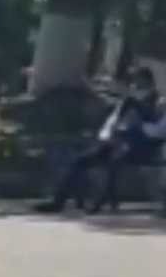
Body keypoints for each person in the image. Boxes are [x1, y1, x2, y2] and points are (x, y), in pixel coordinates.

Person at [36, 67, 163, 213]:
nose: (135, 83)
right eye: (134, 80)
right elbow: (112, 122)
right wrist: (107, 136)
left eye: (138, 80)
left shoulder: (157, 101)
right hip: (117, 141)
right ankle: (58, 202)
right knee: (81, 161)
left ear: (148, 81)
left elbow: (157, 128)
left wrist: (136, 119)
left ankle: (98, 205)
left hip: (142, 146)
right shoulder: (128, 101)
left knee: (113, 162)